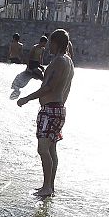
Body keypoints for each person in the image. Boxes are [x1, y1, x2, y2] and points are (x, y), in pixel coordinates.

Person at [17, 29, 74, 198]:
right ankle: (50, 186)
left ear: (55, 43)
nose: (48, 46)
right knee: (51, 149)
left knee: (43, 149)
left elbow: (48, 87)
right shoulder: (69, 61)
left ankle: (47, 187)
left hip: (50, 110)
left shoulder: (59, 61)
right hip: (59, 109)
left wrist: (26, 98)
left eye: (50, 42)